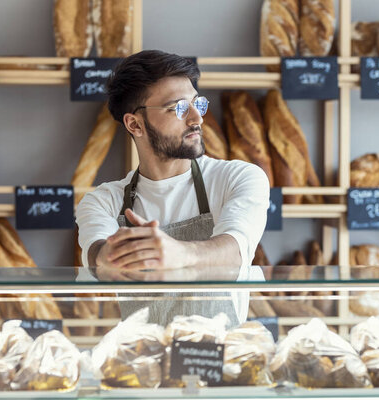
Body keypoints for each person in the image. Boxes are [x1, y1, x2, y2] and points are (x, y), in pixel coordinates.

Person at [76, 50, 269, 326]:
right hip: (142, 361)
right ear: (135, 124)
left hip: (219, 362)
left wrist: (180, 254)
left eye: (197, 104)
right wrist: (110, 258)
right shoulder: (104, 201)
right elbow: (98, 259)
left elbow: (235, 253)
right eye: (178, 108)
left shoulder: (239, 178)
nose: (197, 119)